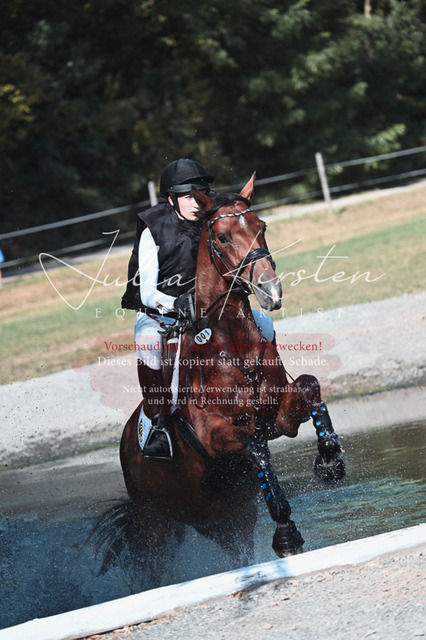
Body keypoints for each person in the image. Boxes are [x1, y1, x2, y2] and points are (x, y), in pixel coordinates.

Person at [121, 158, 274, 460]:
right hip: (160, 314)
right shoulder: (155, 228)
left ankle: (268, 393)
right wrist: (174, 303)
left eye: (199, 195)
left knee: (265, 324)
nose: (195, 202)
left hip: (207, 313)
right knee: (149, 345)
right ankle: (157, 424)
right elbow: (147, 291)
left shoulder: (214, 218)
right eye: (187, 197)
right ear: (171, 199)